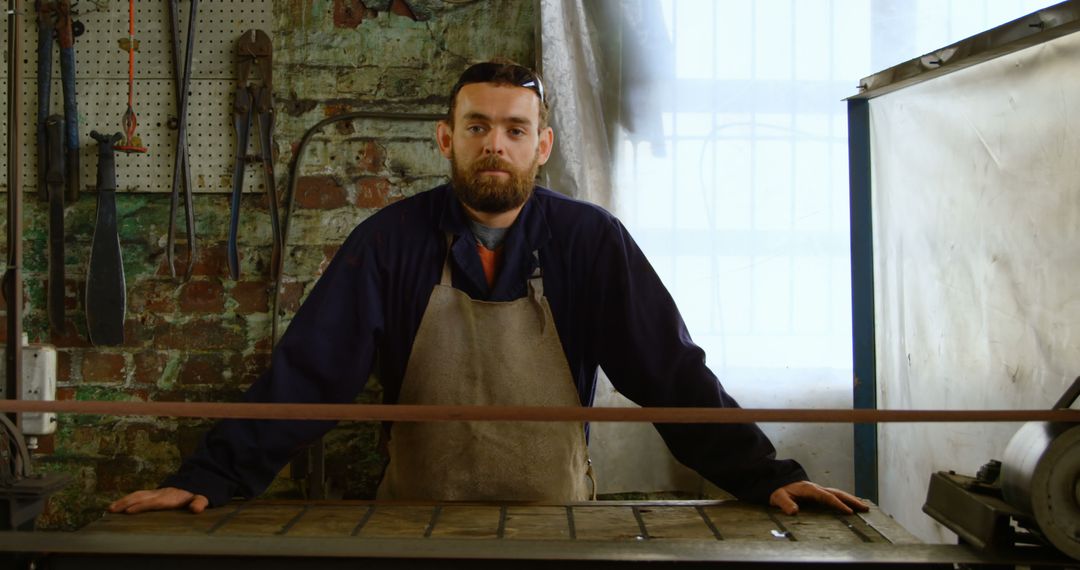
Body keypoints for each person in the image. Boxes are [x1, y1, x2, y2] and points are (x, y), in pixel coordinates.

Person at [110, 60, 867, 516]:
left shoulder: (591, 244)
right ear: (446, 139)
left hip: (556, 527)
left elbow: (671, 375)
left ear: (542, 144)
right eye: (477, 127)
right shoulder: (390, 244)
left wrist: (767, 478)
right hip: (415, 527)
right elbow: (306, 377)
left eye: (513, 128)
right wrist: (208, 478)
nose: (494, 145)